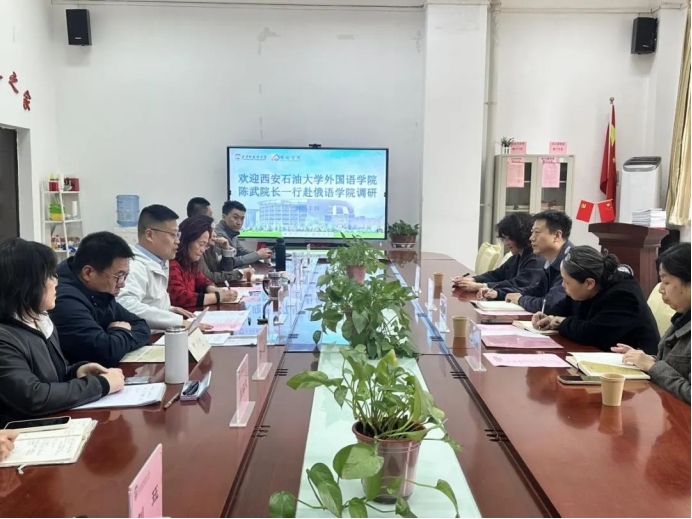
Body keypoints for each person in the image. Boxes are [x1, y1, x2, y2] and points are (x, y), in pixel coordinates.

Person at [0, 239, 124, 427]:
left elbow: (53, 375)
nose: (55, 283)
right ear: (25, 285)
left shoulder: (40, 320)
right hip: (22, 435)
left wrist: (77, 371)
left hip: (55, 423)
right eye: (49, 277)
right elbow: (34, 397)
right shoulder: (5, 337)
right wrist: (102, 384)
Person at [49, 232, 151, 368]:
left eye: (125, 276)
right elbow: (105, 353)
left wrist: (115, 340)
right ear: (88, 273)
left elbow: (142, 326)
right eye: (118, 276)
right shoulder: (64, 299)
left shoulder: (100, 292)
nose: (122, 284)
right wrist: (121, 331)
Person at [532, 246, 660, 354]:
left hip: (634, 367)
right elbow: (566, 306)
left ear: (589, 283)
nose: (563, 285)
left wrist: (562, 322)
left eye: (567, 282)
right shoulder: (589, 285)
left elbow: (590, 334)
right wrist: (548, 316)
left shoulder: (624, 296)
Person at [613, 243, 691, 404]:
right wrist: (642, 359)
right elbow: (676, 367)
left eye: (666, 282)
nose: (660, 289)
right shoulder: (683, 316)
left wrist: (652, 366)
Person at [117, 205, 196, 330]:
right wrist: (175, 321)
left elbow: (150, 300)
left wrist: (168, 310)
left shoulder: (159, 261)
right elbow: (125, 305)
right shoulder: (133, 266)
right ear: (150, 235)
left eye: (178, 235)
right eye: (173, 235)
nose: (177, 241)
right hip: (145, 337)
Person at [480, 210, 573, 314]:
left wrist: (520, 300)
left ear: (557, 235)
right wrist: (498, 293)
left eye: (537, 232)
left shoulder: (571, 263)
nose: (531, 238)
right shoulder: (551, 260)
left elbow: (549, 305)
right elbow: (537, 290)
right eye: (532, 232)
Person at [454, 213, 542, 292]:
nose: (506, 243)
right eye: (504, 239)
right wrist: (473, 279)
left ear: (520, 236)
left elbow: (518, 284)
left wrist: (480, 286)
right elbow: (497, 274)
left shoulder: (535, 259)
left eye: (509, 238)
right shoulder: (519, 255)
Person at [168, 216, 239, 308]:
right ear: (186, 241)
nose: (203, 250)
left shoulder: (191, 262)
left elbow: (203, 280)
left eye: (205, 245)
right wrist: (218, 297)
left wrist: (213, 289)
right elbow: (179, 297)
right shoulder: (172, 263)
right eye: (201, 244)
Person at [187, 199, 249, 284]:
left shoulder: (209, 244)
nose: (215, 234)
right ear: (200, 219)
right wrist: (239, 273)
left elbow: (221, 271)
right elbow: (208, 278)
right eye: (210, 215)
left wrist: (226, 250)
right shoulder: (193, 244)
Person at [216, 200, 272, 268]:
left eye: (242, 219)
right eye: (235, 217)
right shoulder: (218, 235)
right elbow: (230, 262)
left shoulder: (232, 232)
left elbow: (242, 252)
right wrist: (257, 255)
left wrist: (262, 253)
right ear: (224, 217)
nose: (239, 223)